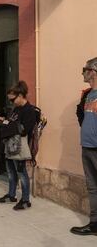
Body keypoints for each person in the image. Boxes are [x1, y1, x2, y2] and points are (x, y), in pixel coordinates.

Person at [0, 81, 36, 210]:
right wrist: (4, 122)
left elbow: (24, 130)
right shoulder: (16, 109)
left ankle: (25, 200)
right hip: (9, 145)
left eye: (13, 100)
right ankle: (11, 195)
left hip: (20, 147)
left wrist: (8, 126)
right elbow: (12, 124)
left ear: (21, 95)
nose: (11, 103)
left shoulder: (30, 111)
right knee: (11, 172)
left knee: (22, 173)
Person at [71, 58, 97, 236]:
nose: (82, 73)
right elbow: (82, 116)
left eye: (85, 69)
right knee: (93, 187)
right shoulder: (88, 94)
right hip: (87, 146)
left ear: (94, 71)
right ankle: (94, 224)